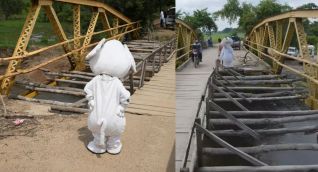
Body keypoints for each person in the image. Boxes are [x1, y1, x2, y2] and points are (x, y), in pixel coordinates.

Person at [84, 38, 136, 154]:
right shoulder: (117, 82)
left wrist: (91, 100)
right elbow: (126, 97)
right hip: (114, 117)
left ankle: (98, 146)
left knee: (97, 131)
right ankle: (113, 146)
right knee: (115, 134)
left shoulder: (96, 80)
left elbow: (87, 89)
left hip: (96, 116)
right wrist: (122, 108)